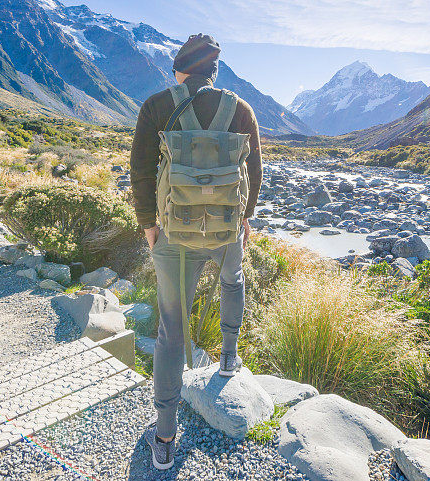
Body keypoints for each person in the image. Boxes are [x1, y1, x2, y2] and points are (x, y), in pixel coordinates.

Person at [129, 33, 262, 470]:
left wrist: (149, 223)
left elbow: (141, 170)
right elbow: (254, 168)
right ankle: (227, 358)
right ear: (213, 71)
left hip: (173, 234)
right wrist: (245, 218)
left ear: (178, 69)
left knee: (171, 327)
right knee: (232, 280)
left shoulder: (155, 105)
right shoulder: (240, 109)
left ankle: (165, 436)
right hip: (225, 229)